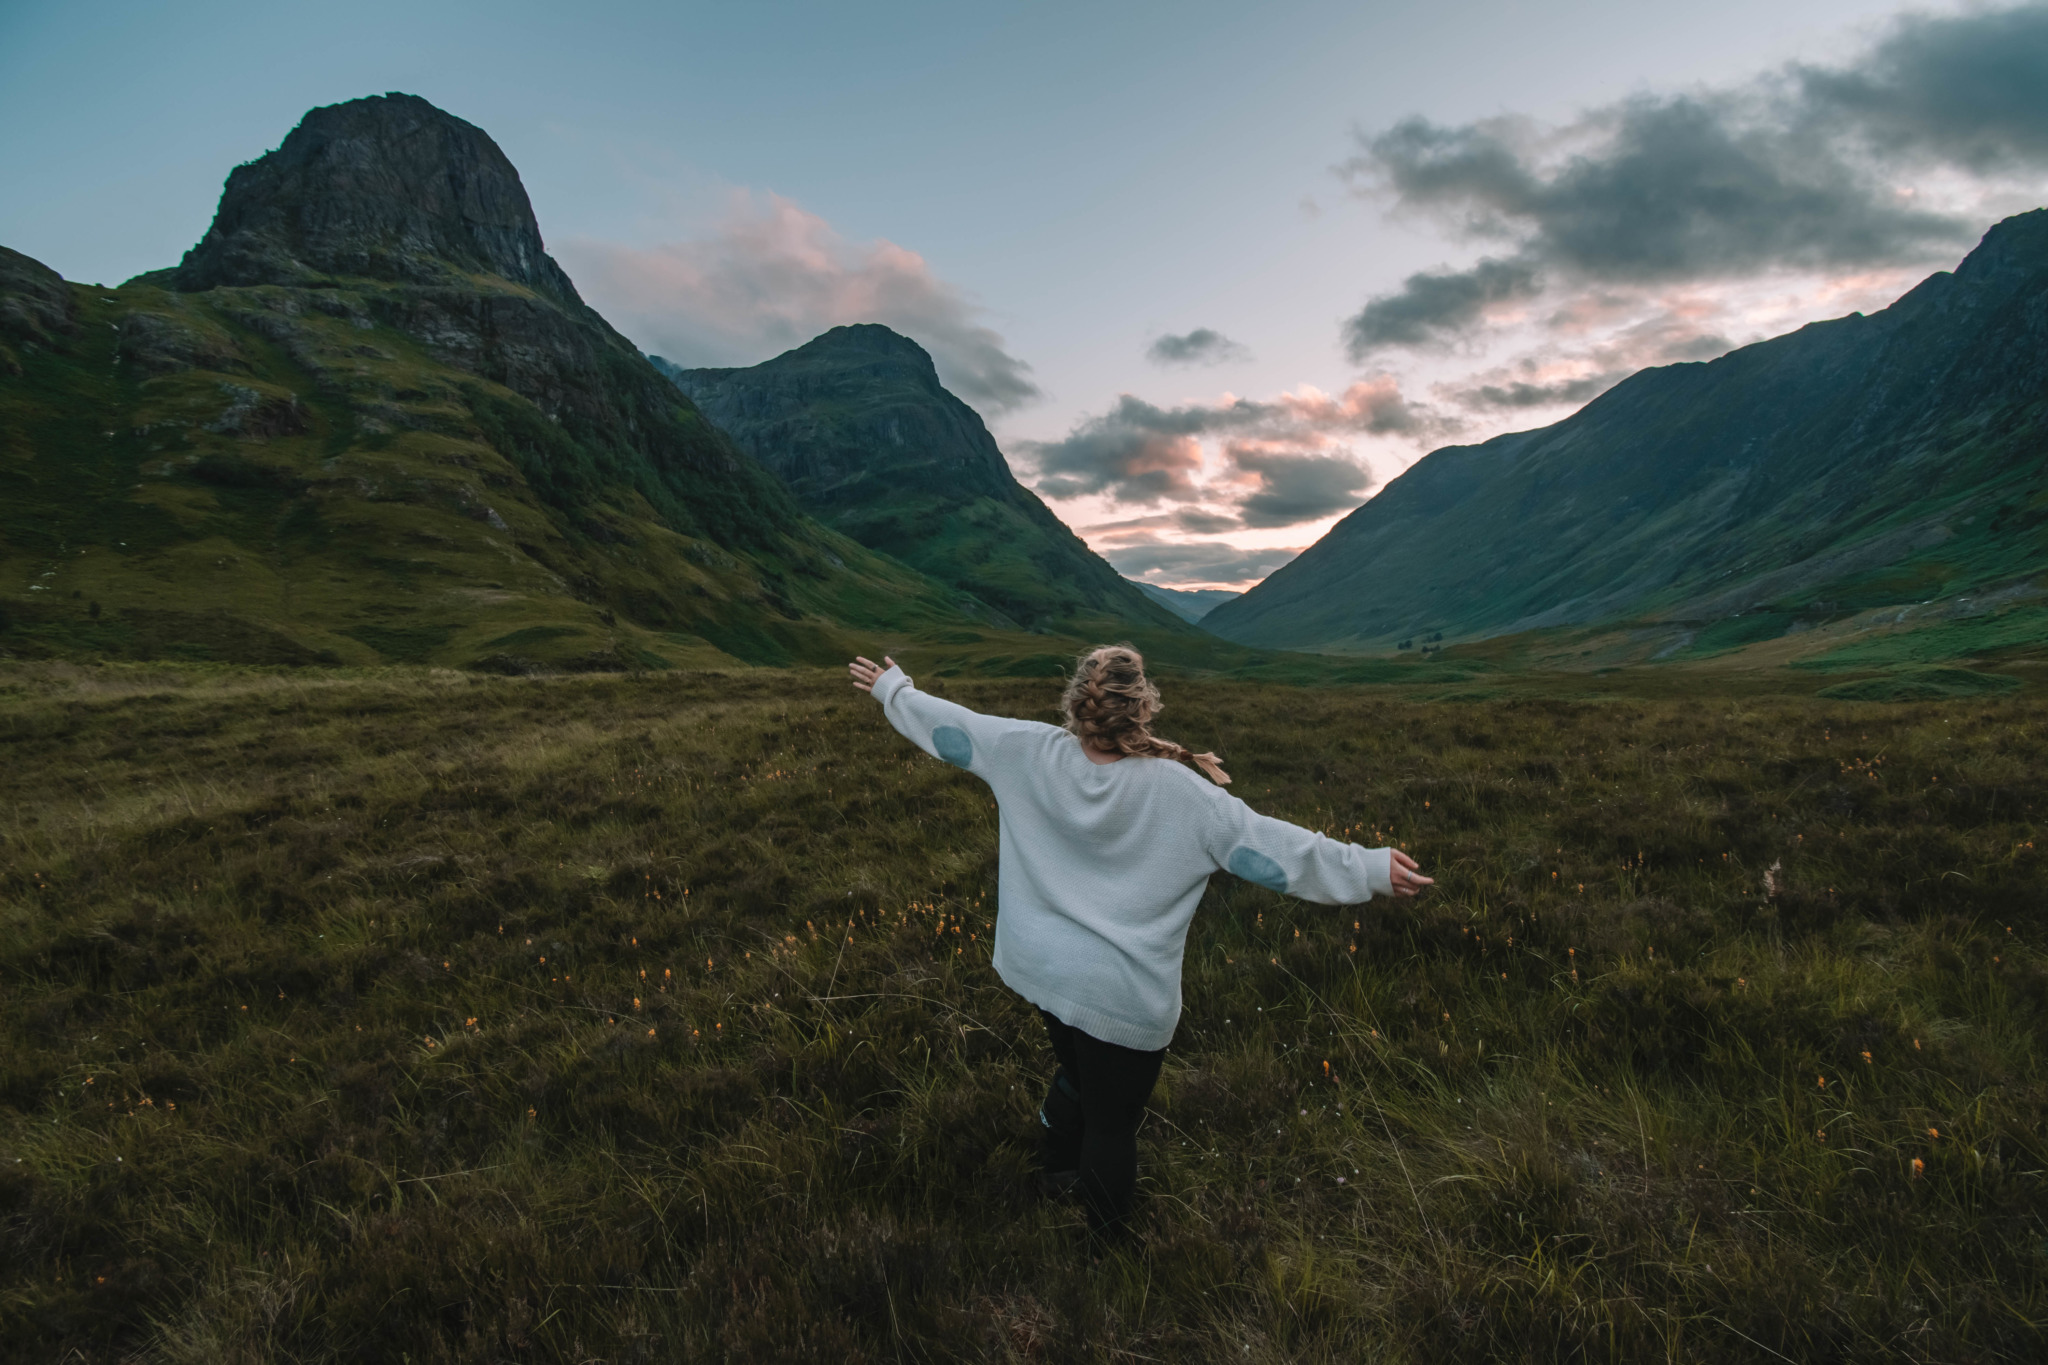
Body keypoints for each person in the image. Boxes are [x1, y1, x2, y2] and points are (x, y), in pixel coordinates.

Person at [848, 643, 1431, 1240]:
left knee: (1076, 1069)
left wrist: (895, 691)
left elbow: (953, 728)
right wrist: (1365, 868)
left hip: (1043, 971)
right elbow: (1269, 850)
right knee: (1112, 1124)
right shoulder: (1182, 794)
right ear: (1142, 708)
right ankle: (1106, 1254)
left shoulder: (1024, 750)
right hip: (1120, 994)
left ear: (1077, 703)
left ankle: (1055, 1171)